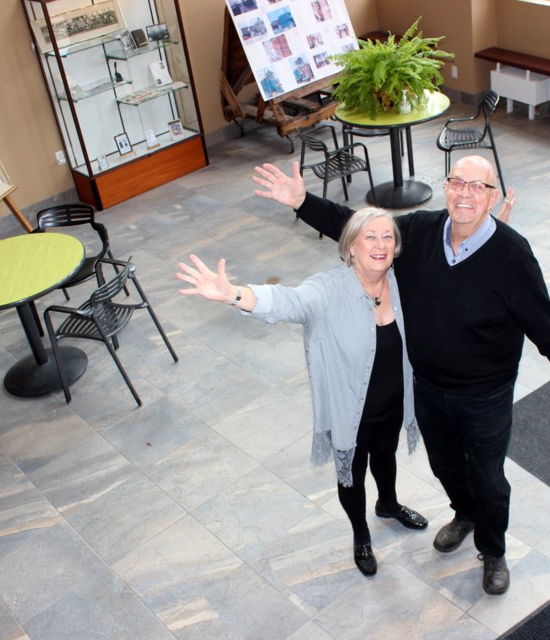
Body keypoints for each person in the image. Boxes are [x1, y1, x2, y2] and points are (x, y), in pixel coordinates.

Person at [252, 154, 550, 595]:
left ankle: (493, 548)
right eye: (457, 182)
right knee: (444, 464)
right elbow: (363, 230)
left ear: (493, 197)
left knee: (489, 477)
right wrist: (302, 202)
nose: (465, 193)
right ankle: (464, 513)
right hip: (427, 387)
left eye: (478, 187)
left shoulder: (511, 254)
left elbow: (547, 325)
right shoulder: (421, 231)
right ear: (446, 187)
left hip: (484, 395)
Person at [176, 207, 428, 578]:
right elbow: (288, 301)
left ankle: (388, 504)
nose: (380, 244)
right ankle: (360, 534)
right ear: (351, 248)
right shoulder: (327, 290)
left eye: (387, 237)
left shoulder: (400, 281)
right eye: (370, 237)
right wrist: (234, 294)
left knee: (385, 458)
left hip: (393, 402)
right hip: (350, 411)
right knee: (352, 475)